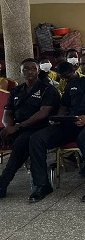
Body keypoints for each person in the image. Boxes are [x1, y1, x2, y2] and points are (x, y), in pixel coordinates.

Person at [28, 52, 85, 203]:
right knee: (37, 138)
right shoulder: (73, 84)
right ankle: (42, 185)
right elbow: (64, 107)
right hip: (71, 124)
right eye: (83, 64)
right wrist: (59, 119)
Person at [0, 59, 60, 198]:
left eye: (33, 68)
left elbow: (43, 113)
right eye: (26, 69)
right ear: (21, 72)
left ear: (38, 71)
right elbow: (7, 113)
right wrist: (9, 127)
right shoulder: (16, 91)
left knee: (23, 141)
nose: (30, 71)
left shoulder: (47, 90)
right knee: (20, 140)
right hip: (17, 128)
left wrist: (18, 127)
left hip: (39, 128)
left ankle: (4, 182)